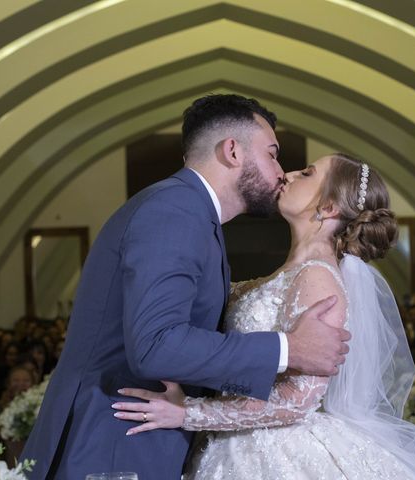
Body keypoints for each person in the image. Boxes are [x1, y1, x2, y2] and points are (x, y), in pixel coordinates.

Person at [21, 94, 349, 479]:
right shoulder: (174, 212)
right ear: (232, 151)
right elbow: (157, 343)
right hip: (115, 446)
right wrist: (288, 348)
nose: (281, 171)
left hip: (142, 436)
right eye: (272, 154)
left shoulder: (192, 216)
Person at [113, 155, 415, 479]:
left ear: (329, 207)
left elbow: (297, 400)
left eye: (306, 173)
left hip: (272, 452)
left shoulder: (318, 279)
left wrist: (188, 413)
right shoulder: (289, 274)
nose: (288, 174)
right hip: (235, 442)